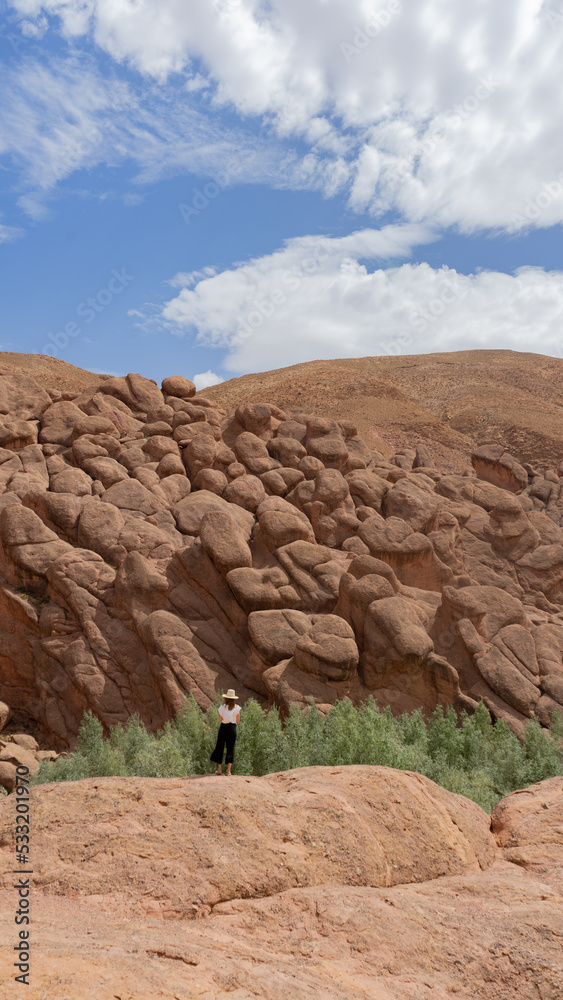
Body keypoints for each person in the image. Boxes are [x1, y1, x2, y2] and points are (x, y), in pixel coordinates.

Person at [210, 689, 241, 775]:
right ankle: (228, 771)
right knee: (230, 748)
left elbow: (220, 720)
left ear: (226, 698)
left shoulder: (222, 707)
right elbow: (238, 721)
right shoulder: (237, 708)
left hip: (223, 727)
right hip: (232, 728)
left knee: (220, 746)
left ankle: (219, 769)